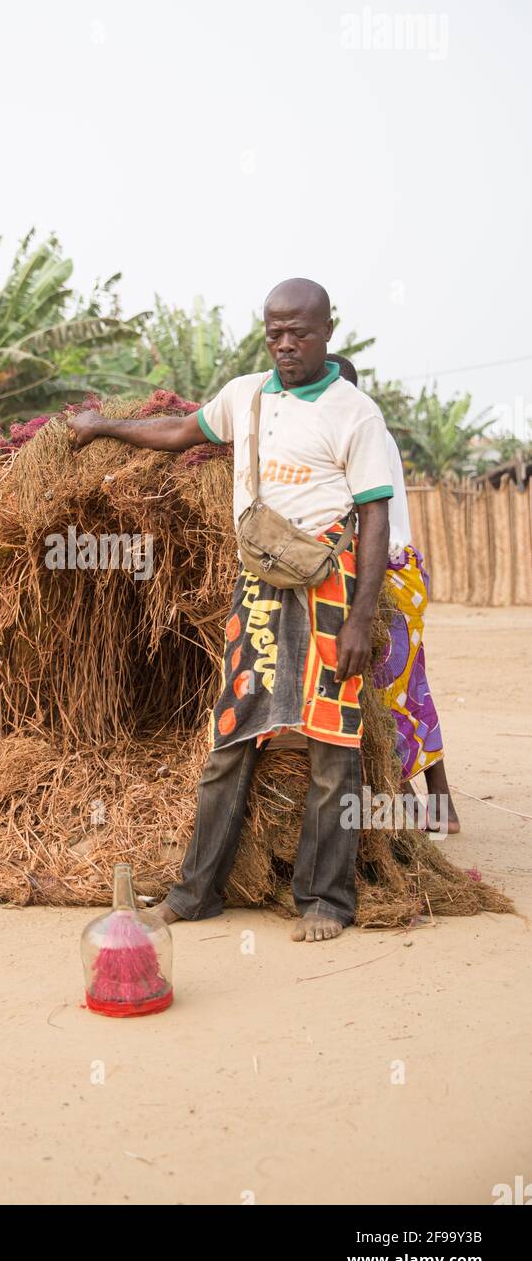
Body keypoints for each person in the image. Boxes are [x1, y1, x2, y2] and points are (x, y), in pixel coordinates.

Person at [69, 278, 393, 943]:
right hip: (258, 590)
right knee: (232, 739)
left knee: (334, 749)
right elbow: (182, 430)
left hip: (329, 591)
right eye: (273, 330)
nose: (283, 342)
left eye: (297, 331)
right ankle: (195, 893)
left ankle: (326, 899)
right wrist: (105, 427)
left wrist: (361, 619)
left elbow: (376, 516)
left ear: (327, 330)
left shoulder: (353, 412)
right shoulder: (245, 395)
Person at [333, 356, 460, 833]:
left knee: (385, 696)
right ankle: (441, 808)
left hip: (384, 575)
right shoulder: (371, 431)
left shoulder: (361, 432)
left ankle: (410, 807)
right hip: (400, 573)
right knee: (409, 690)